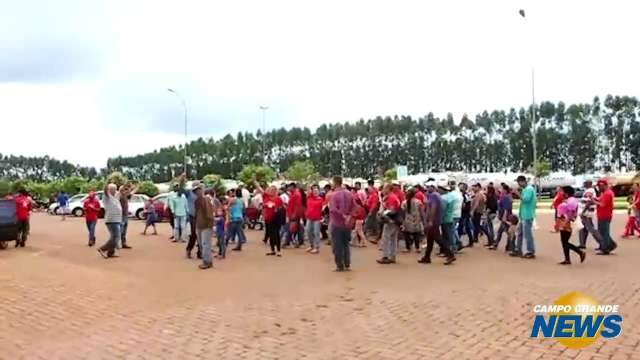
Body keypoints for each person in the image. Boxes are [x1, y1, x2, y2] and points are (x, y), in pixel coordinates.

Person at [418, 182, 455, 265]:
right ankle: (427, 257)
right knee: (430, 239)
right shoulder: (436, 195)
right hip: (435, 220)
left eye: (428, 187)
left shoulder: (434, 196)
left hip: (434, 221)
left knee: (438, 238)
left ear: (433, 187)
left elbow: (433, 208)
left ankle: (450, 254)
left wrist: (430, 220)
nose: (427, 188)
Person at [329, 176, 354, 271]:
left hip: (337, 223)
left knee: (337, 245)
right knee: (346, 244)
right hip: (347, 224)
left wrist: (343, 215)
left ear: (335, 183)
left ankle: (340, 265)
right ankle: (347, 264)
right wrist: (349, 216)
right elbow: (354, 207)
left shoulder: (334, 195)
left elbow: (333, 209)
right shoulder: (349, 194)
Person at [557, 186, 586, 265]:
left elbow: (571, 213)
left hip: (567, 222)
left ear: (566, 193)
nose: (560, 193)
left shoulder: (571, 201)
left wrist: (566, 222)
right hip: (565, 221)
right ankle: (567, 259)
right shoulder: (570, 200)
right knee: (564, 242)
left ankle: (579, 252)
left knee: (565, 242)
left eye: (562, 192)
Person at [510, 175, 536, 259]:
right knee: (520, 233)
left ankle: (530, 251)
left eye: (519, 182)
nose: (518, 184)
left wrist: (518, 193)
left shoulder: (529, 189)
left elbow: (526, 200)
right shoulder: (525, 189)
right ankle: (518, 249)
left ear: (523, 181)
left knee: (527, 234)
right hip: (523, 215)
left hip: (527, 215)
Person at [255, 181, 284, 256]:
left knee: (276, 234)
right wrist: (255, 182)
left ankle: (278, 250)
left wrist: (276, 208)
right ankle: (272, 250)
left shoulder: (278, 199)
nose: (272, 191)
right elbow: (260, 189)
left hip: (276, 218)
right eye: (271, 190)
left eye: (274, 190)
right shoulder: (266, 196)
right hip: (268, 218)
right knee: (271, 234)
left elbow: (281, 208)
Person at [376, 184, 401, 264]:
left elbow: (391, 209)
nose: (383, 190)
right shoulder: (393, 196)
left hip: (391, 220)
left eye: (384, 188)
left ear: (388, 189)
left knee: (386, 238)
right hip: (395, 220)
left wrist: (383, 214)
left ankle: (385, 256)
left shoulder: (391, 197)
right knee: (393, 238)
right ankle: (392, 256)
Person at [97, 183, 122, 259]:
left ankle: (110, 253)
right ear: (109, 190)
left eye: (115, 189)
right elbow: (105, 190)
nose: (114, 190)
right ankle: (102, 249)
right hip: (111, 220)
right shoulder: (106, 197)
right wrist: (107, 185)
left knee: (115, 237)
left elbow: (122, 191)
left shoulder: (115, 197)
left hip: (117, 219)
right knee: (116, 237)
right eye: (112, 189)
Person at [594, 179, 617, 255]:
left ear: (603, 185)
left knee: (604, 233)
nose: (598, 188)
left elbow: (602, 204)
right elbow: (600, 200)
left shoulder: (607, 194)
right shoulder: (604, 193)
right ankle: (610, 245)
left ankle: (606, 248)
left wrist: (593, 202)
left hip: (605, 215)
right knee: (603, 232)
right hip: (602, 215)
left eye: (599, 186)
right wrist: (594, 199)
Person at [195, 185, 215, 269]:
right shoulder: (198, 201)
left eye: (198, 190)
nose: (197, 192)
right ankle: (207, 261)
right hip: (200, 224)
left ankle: (207, 262)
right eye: (195, 191)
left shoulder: (206, 200)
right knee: (202, 244)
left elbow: (209, 213)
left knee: (205, 244)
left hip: (206, 225)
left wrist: (210, 223)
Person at [490, 184, 513, 251]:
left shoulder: (506, 197)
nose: (501, 190)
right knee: (501, 231)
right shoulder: (507, 196)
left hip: (505, 216)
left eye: (502, 189)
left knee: (507, 232)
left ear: (505, 190)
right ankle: (499, 245)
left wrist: (504, 216)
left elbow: (506, 208)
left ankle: (509, 246)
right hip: (505, 215)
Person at [401, 188, 423, 253]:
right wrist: (423, 219)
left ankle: (408, 248)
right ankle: (417, 248)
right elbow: (421, 211)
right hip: (416, 219)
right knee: (416, 234)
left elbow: (403, 211)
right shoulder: (418, 202)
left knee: (406, 234)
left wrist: (402, 220)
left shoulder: (404, 202)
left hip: (407, 219)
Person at [439, 184, 458, 258]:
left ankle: (448, 251)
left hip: (445, 219)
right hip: (450, 217)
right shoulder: (451, 197)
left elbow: (442, 210)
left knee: (445, 236)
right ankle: (452, 249)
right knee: (450, 235)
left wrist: (440, 219)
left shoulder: (443, 198)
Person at [305, 184, 324, 254]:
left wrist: (322, 217)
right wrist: (311, 186)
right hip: (309, 218)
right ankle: (311, 245)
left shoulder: (321, 199)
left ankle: (317, 247)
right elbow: (308, 189)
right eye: (314, 191)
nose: (315, 192)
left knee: (316, 232)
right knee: (308, 231)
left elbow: (323, 209)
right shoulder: (309, 197)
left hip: (317, 218)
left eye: (317, 191)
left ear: (319, 191)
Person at [186, 180, 202, 260]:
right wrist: (182, 179)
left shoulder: (201, 194)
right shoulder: (189, 193)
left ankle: (200, 252)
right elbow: (181, 189)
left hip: (200, 216)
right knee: (194, 234)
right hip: (192, 216)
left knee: (201, 234)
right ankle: (189, 249)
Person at [285, 183, 304, 248]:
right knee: (297, 228)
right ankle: (300, 241)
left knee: (291, 228)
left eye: (289, 187)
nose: (288, 188)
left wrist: (294, 214)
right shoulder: (294, 194)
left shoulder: (296, 194)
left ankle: (287, 242)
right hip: (293, 214)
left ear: (292, 187)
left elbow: (297, 205)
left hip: (294, 214)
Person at [118, 185, 135, 250]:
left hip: (125, 215)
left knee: (124, 230)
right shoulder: (120, 196)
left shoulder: (125, 196)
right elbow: (130, 193)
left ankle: (123, 243)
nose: (126, 191)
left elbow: (131, 193)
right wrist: (131, 189)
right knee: (120, 230)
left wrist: (134, 189)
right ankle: (117, 243)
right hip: (121, 216)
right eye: (125, 190)